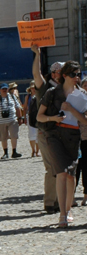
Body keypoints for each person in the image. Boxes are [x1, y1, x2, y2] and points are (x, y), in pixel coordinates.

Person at [37, 61, 87, 228]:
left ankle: (68, 209)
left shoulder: (82, 95)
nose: (77, 77)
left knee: (71, 174)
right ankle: (63, 215)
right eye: (73, 74)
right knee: (61, 172)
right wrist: (53, 118)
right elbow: (39, 117)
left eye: (78, 74)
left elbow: (85, 121)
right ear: (64, 75)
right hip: (54, 135)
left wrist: (71, 110)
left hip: (72, 136)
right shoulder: (52, 93)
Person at [33, 45, 64, 213]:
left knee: (62, 167)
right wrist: (37, 55)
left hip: (63, 133)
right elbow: (36, 74)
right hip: (46, 132)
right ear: (54, 74)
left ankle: (61, 201)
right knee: (52, 167)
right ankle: (51, 201)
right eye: (61, 72)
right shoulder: (45, 88)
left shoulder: (67, 88)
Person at [0, 83, 22, 159]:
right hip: (0, 122)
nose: (4, 90)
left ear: (8, 89)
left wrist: (20, 118)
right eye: (2, 89)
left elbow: (18, 108)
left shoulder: (13, 97)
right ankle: (5, 152)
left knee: (14, 135)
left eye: (5, 89)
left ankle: (14, 151)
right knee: (3, 137)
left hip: (12, 120)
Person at [24, 84, 40, 159]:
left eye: (34, 88)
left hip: (38, 115)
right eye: (32, 88)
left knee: (39, 133)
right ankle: (33, 150)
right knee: (31, 133)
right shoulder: (28, 97)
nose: (33, 89)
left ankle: (37, 151)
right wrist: (24, 117)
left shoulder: (40, 96)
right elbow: (25, 107)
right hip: (30, 115)